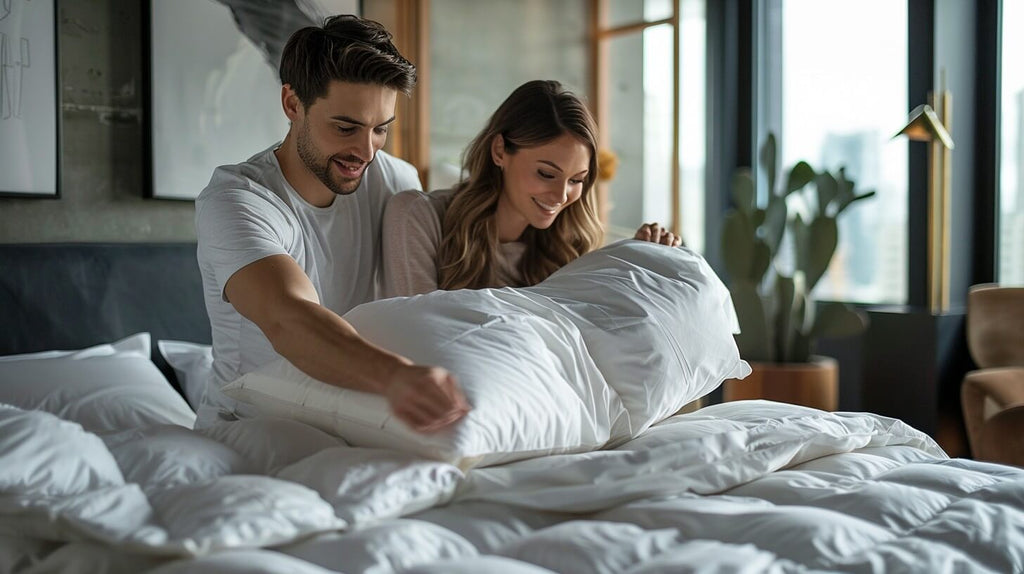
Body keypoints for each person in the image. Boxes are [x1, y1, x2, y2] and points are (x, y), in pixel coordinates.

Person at [194, 15, 469, 432]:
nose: (366, 151)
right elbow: (289, 319)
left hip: (356, 414)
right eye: (346, 127)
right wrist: (395, 377)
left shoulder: (394, 180)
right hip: (248, 424)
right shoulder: (237, 200)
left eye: (381, 130)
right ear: (292, 104)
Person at [381, 79, 681, 297]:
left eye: (577, 180)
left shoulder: (568, 247)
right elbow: (417, 335)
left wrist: (642, 264)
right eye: (546, 174)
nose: (562, 196)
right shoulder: (418, 217)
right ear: (499, 151)